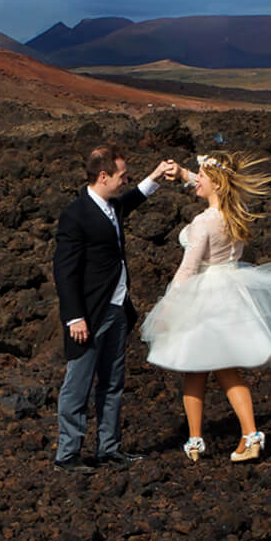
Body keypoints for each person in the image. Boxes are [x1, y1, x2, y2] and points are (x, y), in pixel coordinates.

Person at [140, 152, 271, 462]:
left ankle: (195, 441)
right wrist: (186, 175)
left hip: (204, 297)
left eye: (202, 177)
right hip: (231, 291)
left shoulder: (203, 222)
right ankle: (250, 434)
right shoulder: (235, 213)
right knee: (226, 369)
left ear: (215, 182)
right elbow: (218, 187)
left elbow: (188, 269)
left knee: (194, 368)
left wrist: (168, 306)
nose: (197, 181)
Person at [51, 145, 178, 474]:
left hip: (118, 310)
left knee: (112, 382)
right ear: (103, 176)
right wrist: (74, 317)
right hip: (90, 315)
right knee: (77, 384)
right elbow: (65, 271)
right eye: (122, 176)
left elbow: (130, 201)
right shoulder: (76, 214)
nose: (125, 181)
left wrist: (155, 176)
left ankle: (109, 448)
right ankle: (68, 455)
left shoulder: (110, 205)